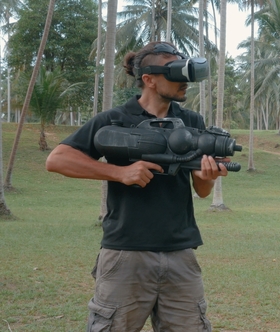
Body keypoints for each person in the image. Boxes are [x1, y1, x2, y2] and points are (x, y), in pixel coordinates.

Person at [46, 41, 227, 332]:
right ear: (149, 79)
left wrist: (209, 175)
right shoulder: (115, 119)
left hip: (181, 253)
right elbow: (57, 160)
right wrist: (119, 172)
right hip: (125, 254)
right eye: (175, 74)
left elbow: (202, 191)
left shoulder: (191, 121)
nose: (185, 83)